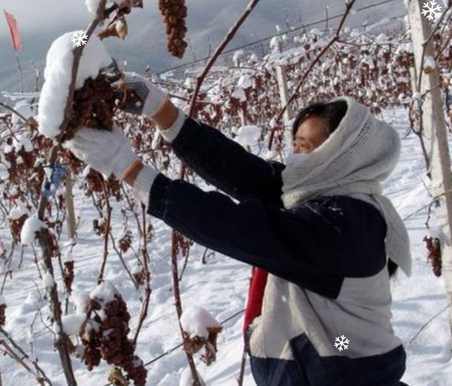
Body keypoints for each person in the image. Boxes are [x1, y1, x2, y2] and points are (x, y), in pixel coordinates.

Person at [64, 73, 412, 386]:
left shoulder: (343, 224)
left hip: (347, 371)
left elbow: (238, 227)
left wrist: (129, 169)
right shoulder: (329, 194)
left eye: (307, 148)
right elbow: (249, 175)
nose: (294, 158)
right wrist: (162, 112)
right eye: (295, 146)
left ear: (341, 155)